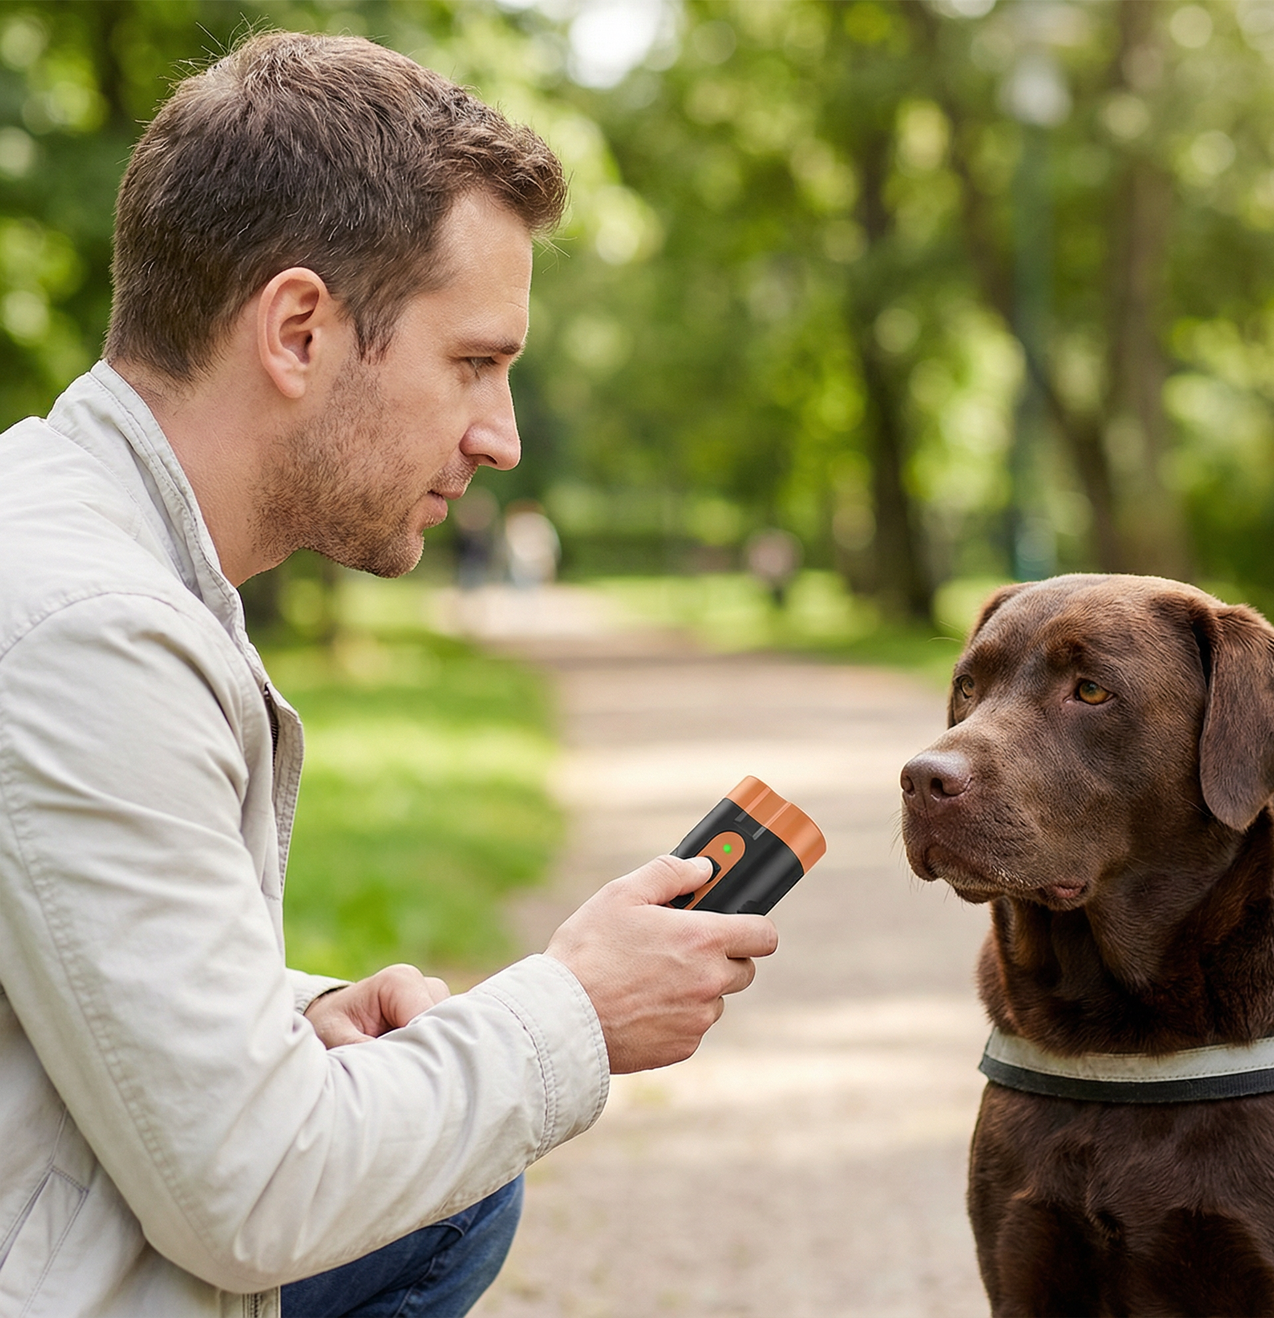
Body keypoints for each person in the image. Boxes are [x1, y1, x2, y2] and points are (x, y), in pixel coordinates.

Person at [0, 31, 777, 1318]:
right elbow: (254, 1193)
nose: (501, 437)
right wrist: (571, 1012)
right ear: (299, 329)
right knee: (425, 1168)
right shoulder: (89, 626)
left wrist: (294, 1017)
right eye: (473, 362)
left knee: (451, 1187)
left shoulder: (75, 535)